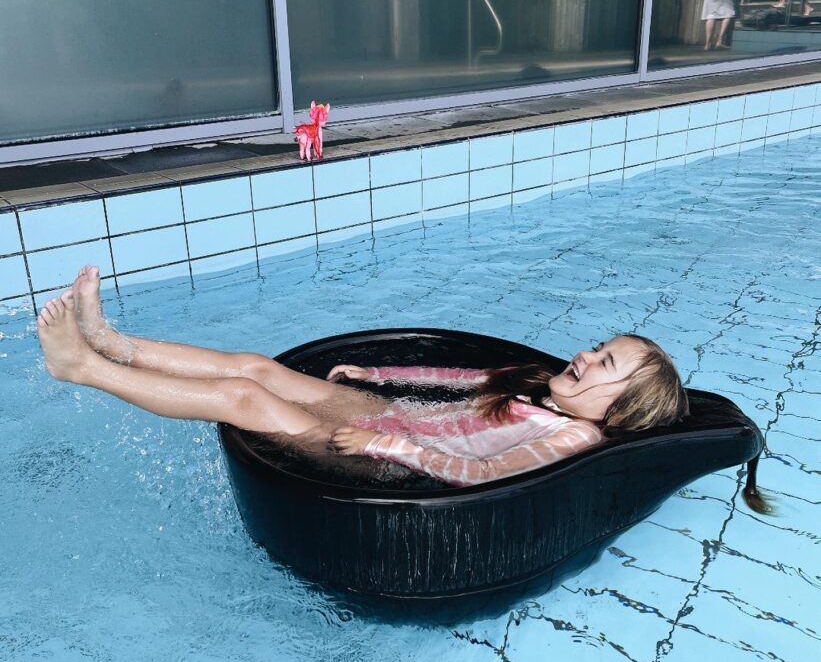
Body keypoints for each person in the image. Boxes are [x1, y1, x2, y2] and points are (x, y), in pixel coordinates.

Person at [37, 266, 689, 488]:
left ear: (621, 411)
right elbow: (450, 378)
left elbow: (481, 473)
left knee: (241, 397)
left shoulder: (575, 439)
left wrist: (390, 446)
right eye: (598, 345)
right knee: (261, 369)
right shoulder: (539, 381)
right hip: (382, 418)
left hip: (392, 460)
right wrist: (375, 372)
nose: (586, 355)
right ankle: (111, 341)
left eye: (604, 364)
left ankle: (83, 367)